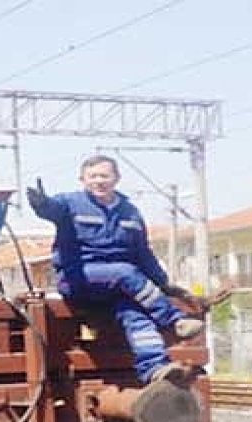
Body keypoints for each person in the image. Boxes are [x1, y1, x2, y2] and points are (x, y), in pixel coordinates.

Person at [28, 155, 204, 385]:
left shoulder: (130, 212)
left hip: (118, 286)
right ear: (82, 179)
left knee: (136, 315)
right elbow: (51, 209)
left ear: (116, 178)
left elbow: (143, 253)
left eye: (104, 175)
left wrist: (163, 283)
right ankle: (173, 321)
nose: (99, 181)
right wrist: (41, 204)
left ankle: (154, 368)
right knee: (124, 272)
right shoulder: (69, 203)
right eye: (93, 176)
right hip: (79, 279)